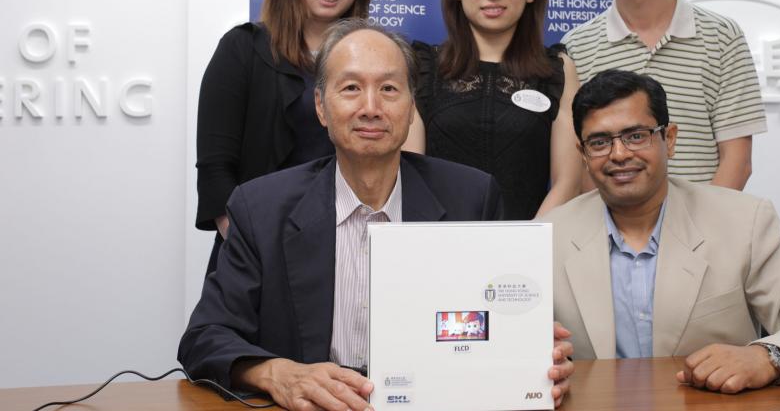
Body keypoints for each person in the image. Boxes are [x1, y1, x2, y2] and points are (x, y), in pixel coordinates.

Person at [180, 20, 574, 410]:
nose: (371, 108)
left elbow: (496, 323)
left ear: (411, 106)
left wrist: (533, 354)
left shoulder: (470, 197)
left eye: (388, 89)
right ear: (320, 106)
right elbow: (205, 337)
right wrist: (277, 373)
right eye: (351, 88)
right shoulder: (261, 207)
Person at [546, 69, 780, 393]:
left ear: (669, 139)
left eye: (636, 136)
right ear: (583, 155)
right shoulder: (548, 236)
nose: (619, 154)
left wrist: (766, 358)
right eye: (600, 142)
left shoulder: (742, 221)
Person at [561, 0, 766, 190]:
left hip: (705, 233)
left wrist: (692, 235)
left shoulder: (722, 37)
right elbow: (582, 166)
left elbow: (737, 160)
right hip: (609, 235)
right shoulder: (576, 48)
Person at [195, 0, 371, 270]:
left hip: (350, 255)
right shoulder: (243, 49)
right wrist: (260, 254)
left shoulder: (374, 60)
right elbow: (216, 173)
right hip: (256, 257)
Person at [405, 0, 581, 219]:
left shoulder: (557, 71)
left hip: (528, 252)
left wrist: (524, 245)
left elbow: (568, 183)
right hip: (438, 246)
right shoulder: (422, 66)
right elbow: (410, 173)